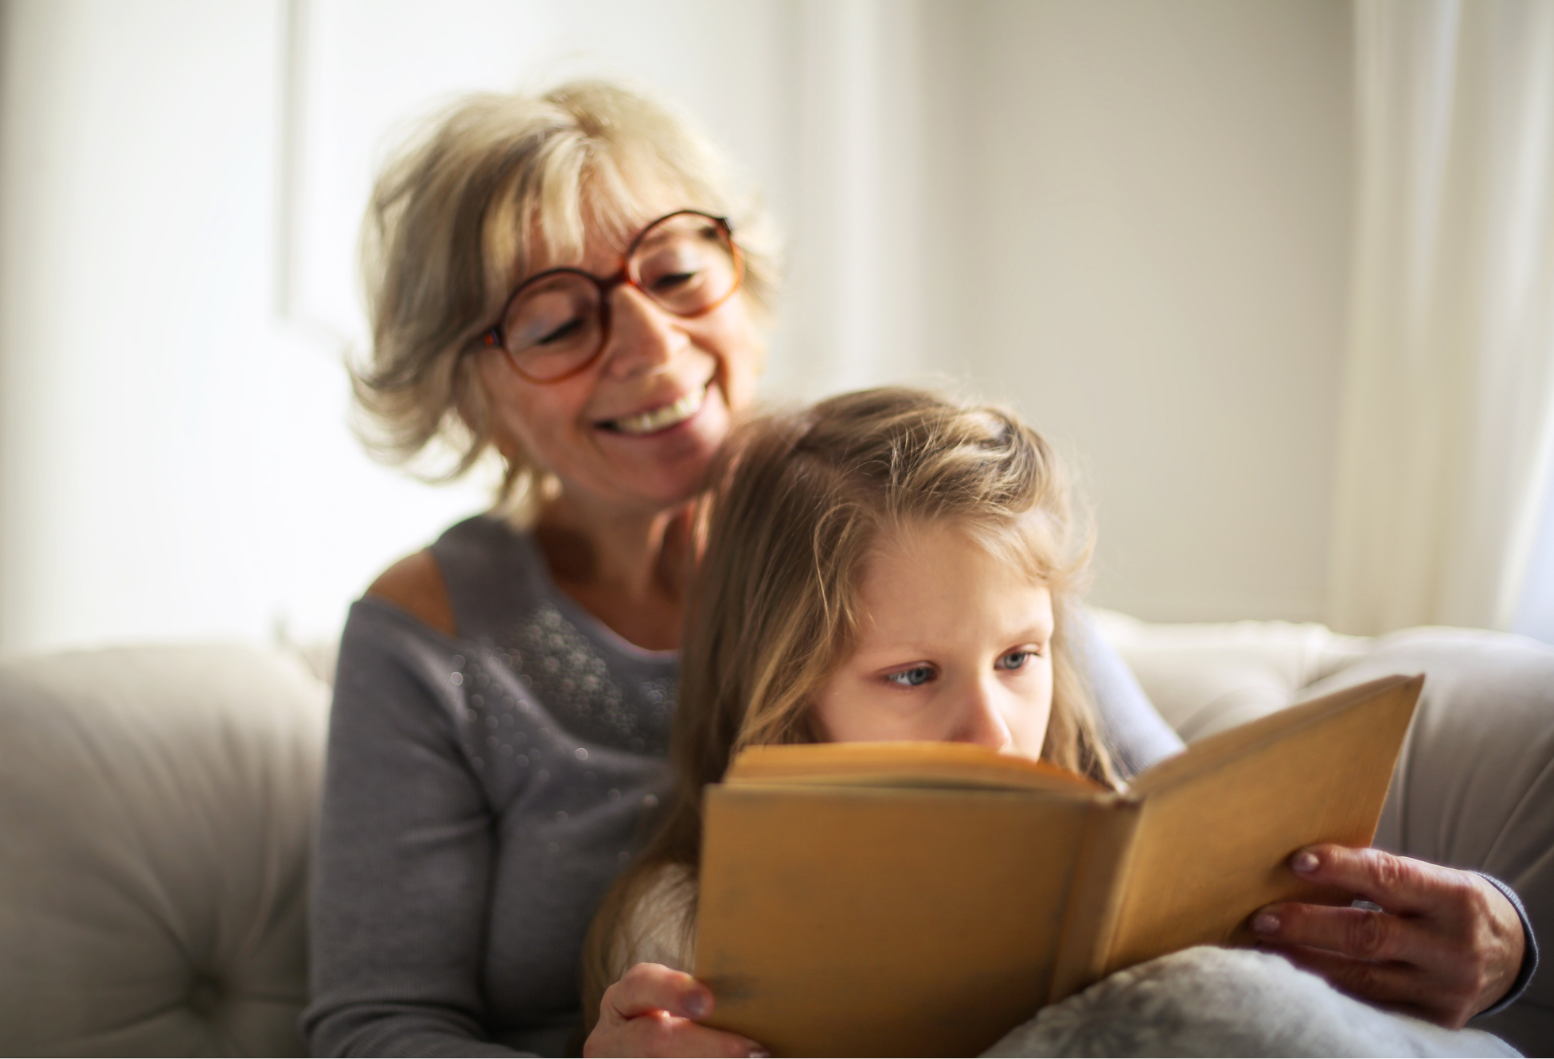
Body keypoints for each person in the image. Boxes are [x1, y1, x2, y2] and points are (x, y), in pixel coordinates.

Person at [302, 81, 1532, 1057]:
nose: (651, 343)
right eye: (558, 320)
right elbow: (374, 1029)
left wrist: (1505, 943)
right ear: (463, 382)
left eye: (677, 271)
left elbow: (1153, 834)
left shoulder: (902, 515)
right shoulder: (429, 637)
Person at [579, 388, 1525, 1058]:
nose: (992, 731)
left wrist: (1494, 948)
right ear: (788, 692)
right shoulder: (692, 918)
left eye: (1019, 658)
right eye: (914, 674)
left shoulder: (1117, 846)